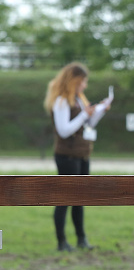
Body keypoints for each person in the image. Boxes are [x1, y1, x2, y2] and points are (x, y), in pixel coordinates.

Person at [43, 62, 111, 252]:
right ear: (73, 81)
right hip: (67, 156)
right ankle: (61, 241)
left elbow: (87, 124)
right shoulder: (62, 101)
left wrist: (99, 112)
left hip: (81, 155)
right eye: (82, 82)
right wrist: (83, 115)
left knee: (80, 199)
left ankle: (81, 239)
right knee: (64, 199)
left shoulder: (78, 99)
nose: (84, 86)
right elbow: (64, 131)